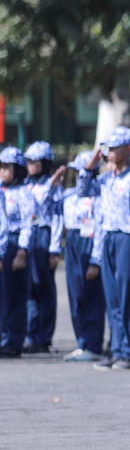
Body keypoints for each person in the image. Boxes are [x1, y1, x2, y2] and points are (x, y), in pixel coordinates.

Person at [79, 128, 130, 370]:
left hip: (126, 240)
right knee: (112, 299)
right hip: (108, 237)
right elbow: (83, 191)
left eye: (114, 147)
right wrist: (89, 167)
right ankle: (117, 348)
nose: (109, 152)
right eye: (108, 147)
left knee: (128, 297)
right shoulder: (107, 179)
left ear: (129, 149)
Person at [61, 151, 105, 362]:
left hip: (91, 239)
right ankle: (82, 342)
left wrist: (95, 261)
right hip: (73, 242)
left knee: (92, 296)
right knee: (76, 295)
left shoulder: (100, 195)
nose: (78, 176)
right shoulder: (69, 194)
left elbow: (100, 228)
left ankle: (94, 345)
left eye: (82, 171)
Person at [23, 142, 62, 353]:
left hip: (43, 235)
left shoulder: (53, 185)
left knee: (43, 287)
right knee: (28, 288)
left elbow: (57, 217)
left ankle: (43, 337)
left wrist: (54, 248)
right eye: (27, 161)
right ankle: (29, 334)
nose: (30, 165)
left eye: (34, 161)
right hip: (26, 236)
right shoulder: (25, 184)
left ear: (45, 163)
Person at [0, 147, 31, 358]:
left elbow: (29, 223)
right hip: (2, 244)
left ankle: (14, 340)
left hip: (14, 243)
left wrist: (22, 251)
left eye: (6, 167)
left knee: (14, 295)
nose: (2, 170)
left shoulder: (24, 193)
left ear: (18, 169)